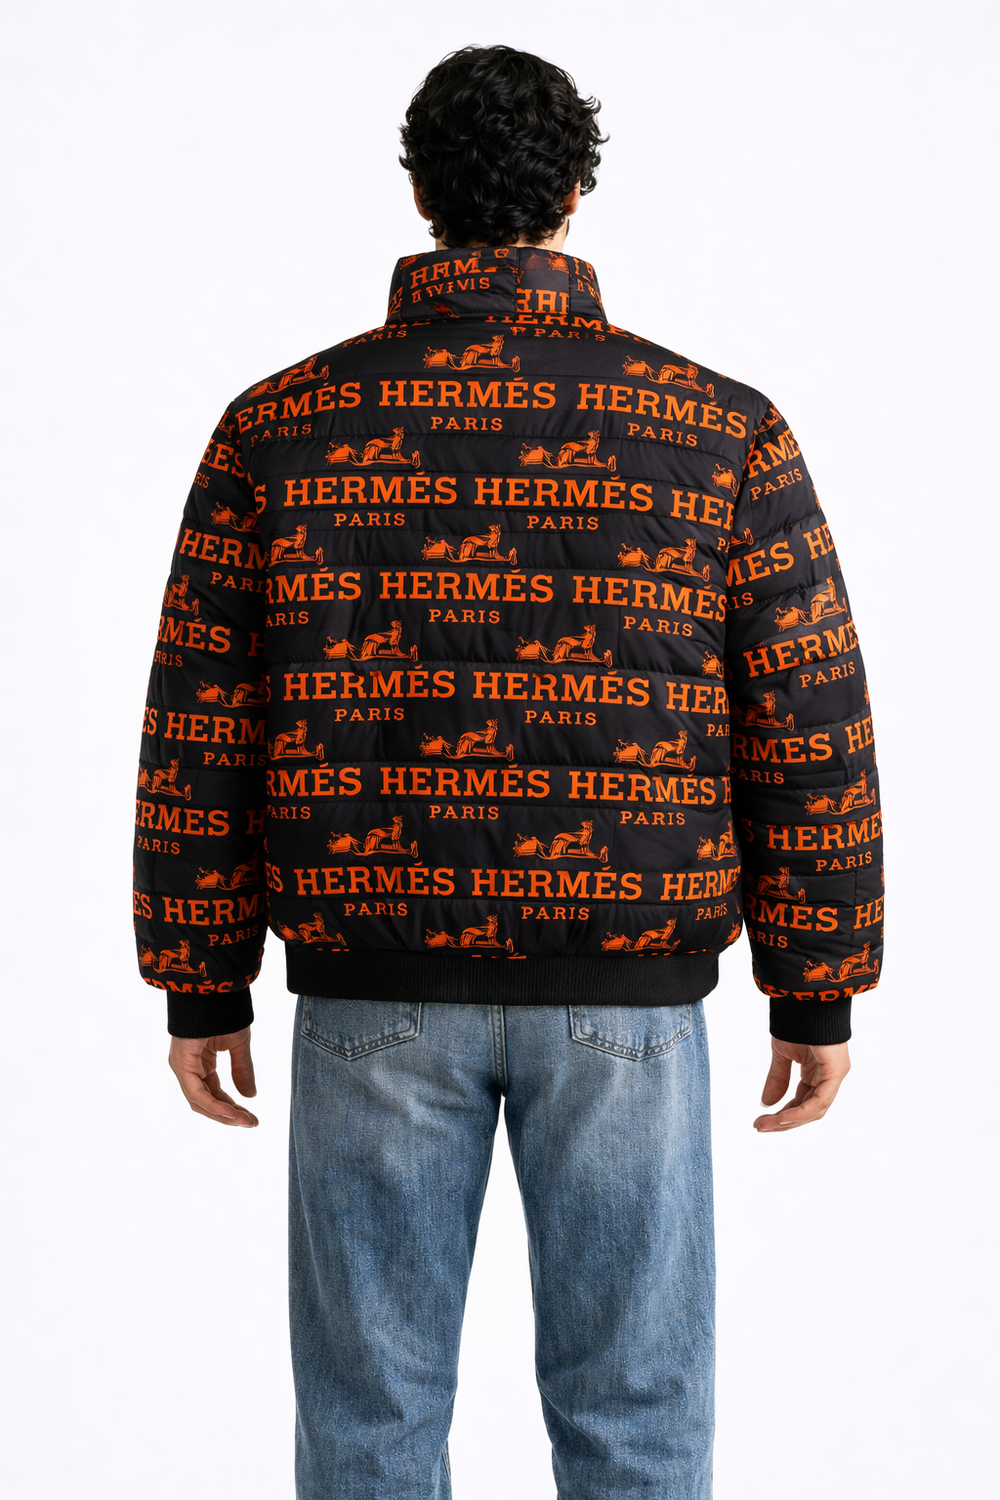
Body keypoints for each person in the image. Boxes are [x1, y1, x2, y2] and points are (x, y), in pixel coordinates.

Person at [135, 44, 883, 1499]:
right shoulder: (718, 428)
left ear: (419, 191)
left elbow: (201, 722)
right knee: (637, 1419)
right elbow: (810, 721)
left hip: (369, 989)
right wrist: (818, 985)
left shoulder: (278, 426)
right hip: (627, 1001)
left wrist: (200, 978)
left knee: (368, 1424)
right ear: (577, 194)